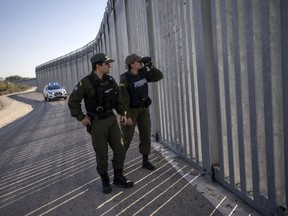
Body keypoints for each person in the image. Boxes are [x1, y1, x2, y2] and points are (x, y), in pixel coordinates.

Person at [68, 53, 134, 194]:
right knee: (101, 153)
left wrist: (124, 114)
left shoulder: (110, 80)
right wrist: (81, 117)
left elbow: (118, 100)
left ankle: (118, 177)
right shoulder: (85, 83)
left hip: (111, 120)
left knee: (120, 149)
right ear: (98, 66)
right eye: (107, 63)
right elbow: (73, 101)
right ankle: (105, 180)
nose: (110, 66)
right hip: (96, 123)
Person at [119, 54, 163, 170]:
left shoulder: (143, 73)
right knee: (127, 137)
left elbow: (158, 76)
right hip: (131, 111)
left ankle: (145, 161)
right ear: (132, 64)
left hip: (143, 109)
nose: (141, 62)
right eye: (139, 61)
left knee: (146, 134)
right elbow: (123, 99)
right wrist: (126, 115)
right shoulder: (125, 78)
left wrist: (150, 66)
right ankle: (118, 164)